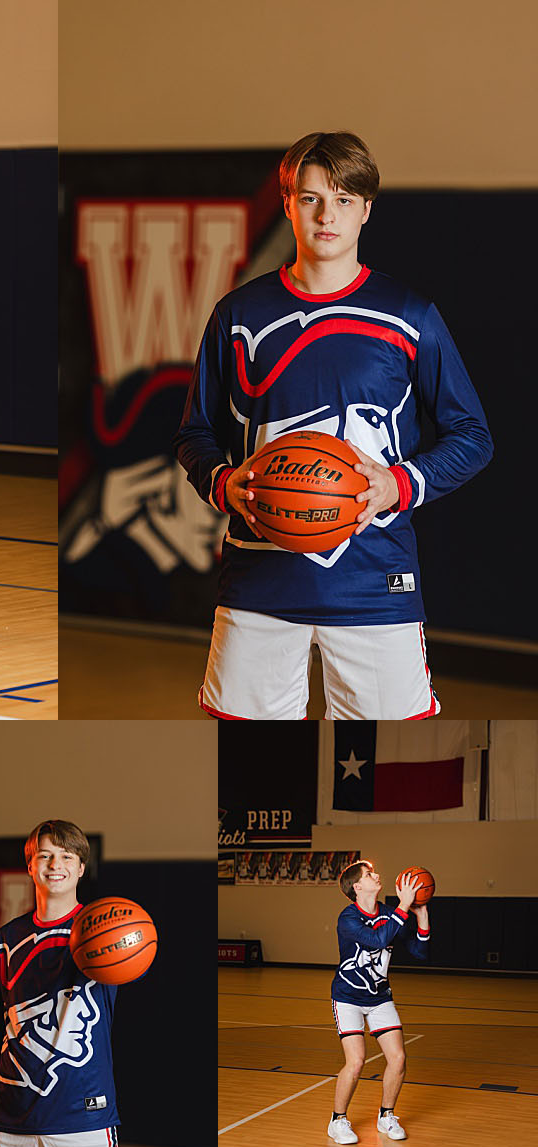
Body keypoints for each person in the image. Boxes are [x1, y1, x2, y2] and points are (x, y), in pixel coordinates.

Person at [176, 130, 492, 720]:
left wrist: (399, 484)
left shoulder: (409, 317)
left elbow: (473, 437)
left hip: (376, 580)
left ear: (366, 210)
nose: (327, 215)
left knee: (389, 748)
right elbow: (194, 433)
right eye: (312, 198)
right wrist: (223, 483)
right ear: (288, 203)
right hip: (257, 579)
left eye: (344, 199)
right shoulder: (238, 317)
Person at [0, 820, 126, 1147]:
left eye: (67, 856)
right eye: (45, 855)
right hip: (11, 1116)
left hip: (82, 1116)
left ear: (82, 867)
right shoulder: (7, 938)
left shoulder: (107, 932)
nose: (56, 864)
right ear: (30, 866)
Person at [328, 859, 430, 1144]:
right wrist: (404, 906)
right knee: (357, 1061)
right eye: (369, 874)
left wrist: (420, 916)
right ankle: (338, 1121)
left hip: (379, 996)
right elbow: (376, 940)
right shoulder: (348, 918)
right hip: (347, 997)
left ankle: (386, 1116)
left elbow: (420, 953)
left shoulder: (390, 913)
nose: (377, 875)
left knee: (398, 1058)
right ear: (357, 886)